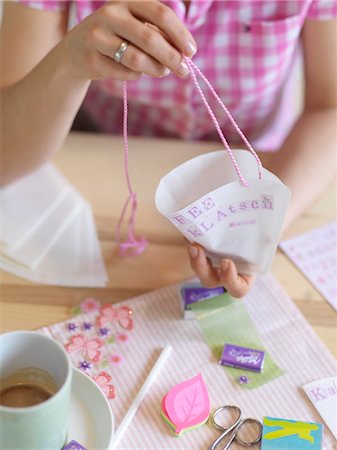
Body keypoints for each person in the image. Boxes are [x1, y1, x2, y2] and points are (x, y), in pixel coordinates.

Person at [1, 0, 336, 297]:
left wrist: (264, 222)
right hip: (108, 163)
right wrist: (69, 62)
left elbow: (330, 107)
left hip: (259, 164)